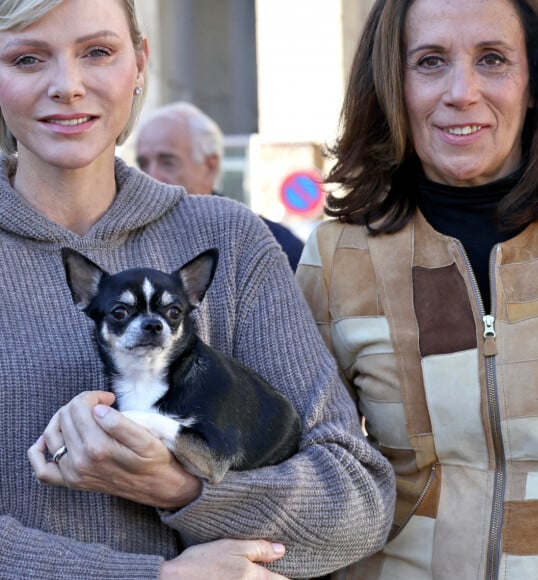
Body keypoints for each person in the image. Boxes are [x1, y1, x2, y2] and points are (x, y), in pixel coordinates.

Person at [0, 1, 396, 578]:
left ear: (140, 62)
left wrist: (182, 486)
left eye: (98, 52)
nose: (69, 86)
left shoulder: (230, 239)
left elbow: (357, 505)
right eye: (28, 57)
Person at [296, 0, 538, 578]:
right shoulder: (339, 257)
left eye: (493, 60)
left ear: (533, 85)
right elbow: (304, 471)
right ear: (393, 85)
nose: (462, 92)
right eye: (430, 62)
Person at [136, 101, 305, 271]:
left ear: (210, 166)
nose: (151, 176)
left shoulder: (272, 246)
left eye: (167, 162)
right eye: (143, 164)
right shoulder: (125, 243)